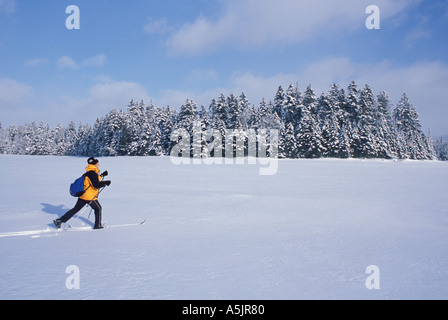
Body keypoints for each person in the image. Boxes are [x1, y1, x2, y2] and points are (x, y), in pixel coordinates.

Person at [54, 157, 111, 229]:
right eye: (97, 163)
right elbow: (96, 185)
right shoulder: (93, 173)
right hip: (89, 196)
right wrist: (105, 182)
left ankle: (59, 220)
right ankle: (97, 225)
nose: (98, 164)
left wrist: (102, 175)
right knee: (98, 208)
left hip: (83, 195)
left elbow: (93, 180)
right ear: (95, 164)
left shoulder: (88, 172)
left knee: (75, 209)